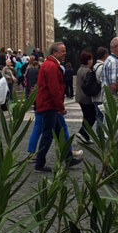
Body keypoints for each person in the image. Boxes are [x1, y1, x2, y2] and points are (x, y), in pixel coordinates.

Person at [33, 42, 79, 173]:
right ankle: (40, 162)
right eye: (62, 51)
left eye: (65, 50)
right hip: (50, 105)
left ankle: (68, 158)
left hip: (49, 104)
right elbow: (54, 89)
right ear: (54, 52)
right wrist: (60, 107)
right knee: (48, 134)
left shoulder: (49, 64)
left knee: (59, 133)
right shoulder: (52, 66)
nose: (65, 53)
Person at [75, 52, 97, 141]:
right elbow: (88, 85)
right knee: (92, 116)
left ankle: (85, 136)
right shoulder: (87, 71)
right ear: (88, 60)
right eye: (91, 59)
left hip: (79, 96)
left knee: (86, 116)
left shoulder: (80, 69)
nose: (92, 61)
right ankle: (82, 132)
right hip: (86, 98)